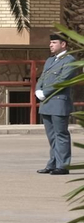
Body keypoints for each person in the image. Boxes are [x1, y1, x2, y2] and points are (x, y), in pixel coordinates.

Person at [38, 33, 75, 175]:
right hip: (46, 103)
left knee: (61, 135)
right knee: (52, 136)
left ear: (63, 44)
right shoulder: (50, 61)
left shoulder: (69, 60)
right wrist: (37, 90)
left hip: (59, 103)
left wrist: (45, 92)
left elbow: (62, 80)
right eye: (51, 42)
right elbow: (42, 77)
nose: (50, 45)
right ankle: (52, 163)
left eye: (54, 42)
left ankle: (63, 165)